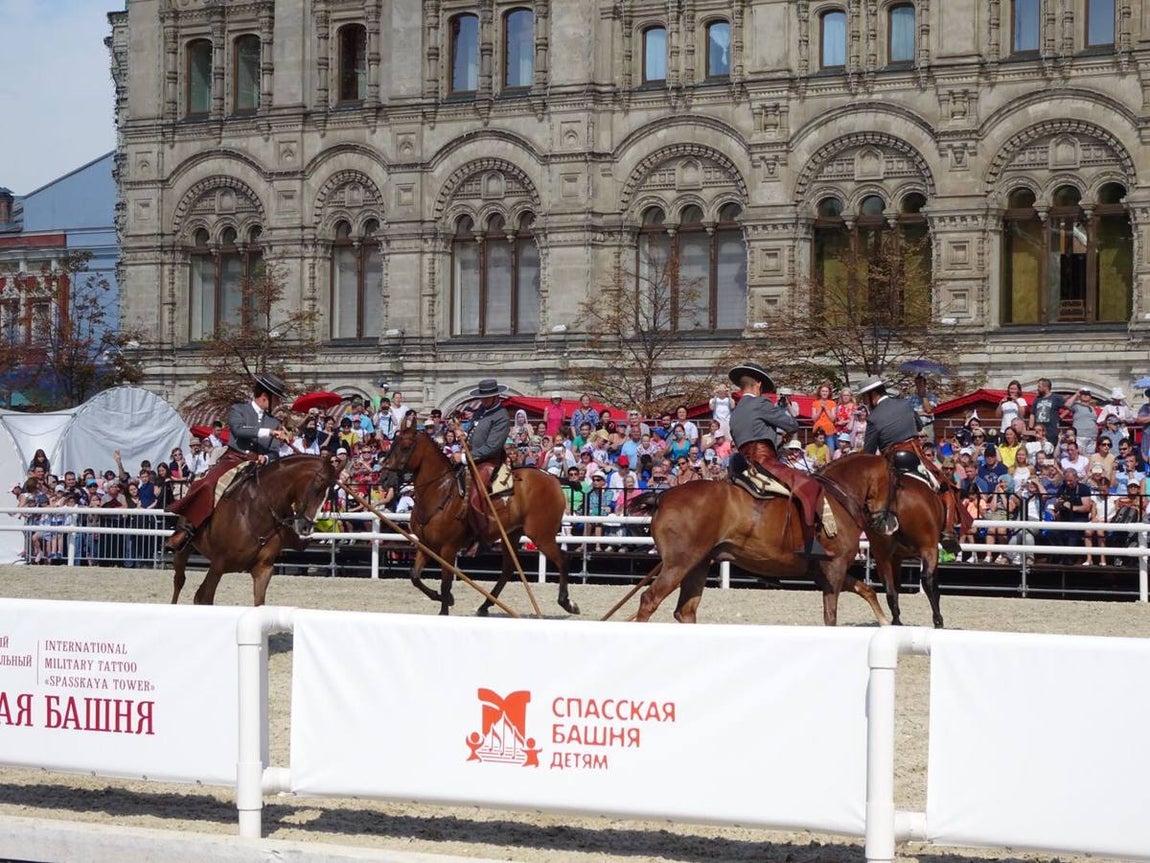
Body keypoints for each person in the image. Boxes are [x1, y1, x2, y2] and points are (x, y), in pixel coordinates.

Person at [165, 373, 294, 551]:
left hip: (258, 464)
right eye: (277, 399)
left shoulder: (274, 421)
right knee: (208, 483)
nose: (279, 403)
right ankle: (187, 528)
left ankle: (289, 533)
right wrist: (269, 432)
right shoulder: (238, 410)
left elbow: (274, 451)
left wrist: (268, 457)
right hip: (234, 459)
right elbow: (239, 430)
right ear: (265, 397)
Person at [727, 361, 830, 559]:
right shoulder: (761, 403)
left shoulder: (736, 411)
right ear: (757, 384)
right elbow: (791, 424)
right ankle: (810, 542)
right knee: (809, 485)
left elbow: (752, 435)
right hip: (764, 461)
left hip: (744, 462)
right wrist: (781, 417)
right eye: (762, 387)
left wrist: (774, 437)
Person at [856, 376, 964, 554]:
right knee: (946, 486)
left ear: (872, 395)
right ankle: (948, 531)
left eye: (864, 398)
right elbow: (919, 425)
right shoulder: (905, 404)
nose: (864, 402)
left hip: (890, 462)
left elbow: (868, 452)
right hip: (914, 456)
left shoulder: (873, 418)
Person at [460, 378, 512, 552]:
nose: (483, 400)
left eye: (487, 397)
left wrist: (466, 458)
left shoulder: (502, 416)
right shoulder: (481, 410)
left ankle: (482, 535)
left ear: (495, 396)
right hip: (473, 456)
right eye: (482, 397)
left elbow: (492, 446)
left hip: (489, 460)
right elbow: (474, 432)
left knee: (476, 493)